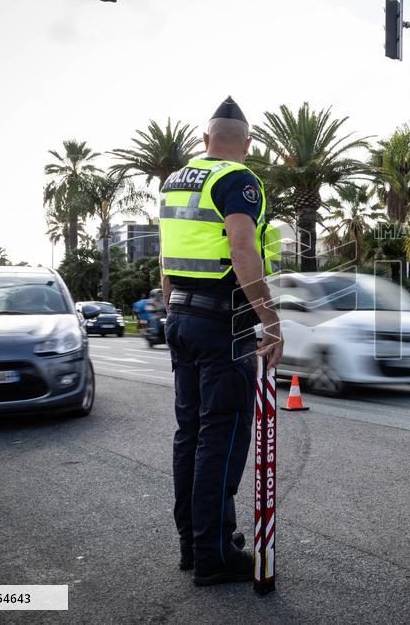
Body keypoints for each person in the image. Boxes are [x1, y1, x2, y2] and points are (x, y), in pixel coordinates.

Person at [158, 96, 284, 586]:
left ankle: (195, 544)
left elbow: (166, 257)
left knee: (189, 435)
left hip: (182, 319)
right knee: (223, 438)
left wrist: (172, 310)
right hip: (222, 325)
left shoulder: (175, 182)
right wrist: (269, 319)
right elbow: (242, 248)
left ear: (204, 138)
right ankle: (214, 556)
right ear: (247, 146)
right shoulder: (239, 181)